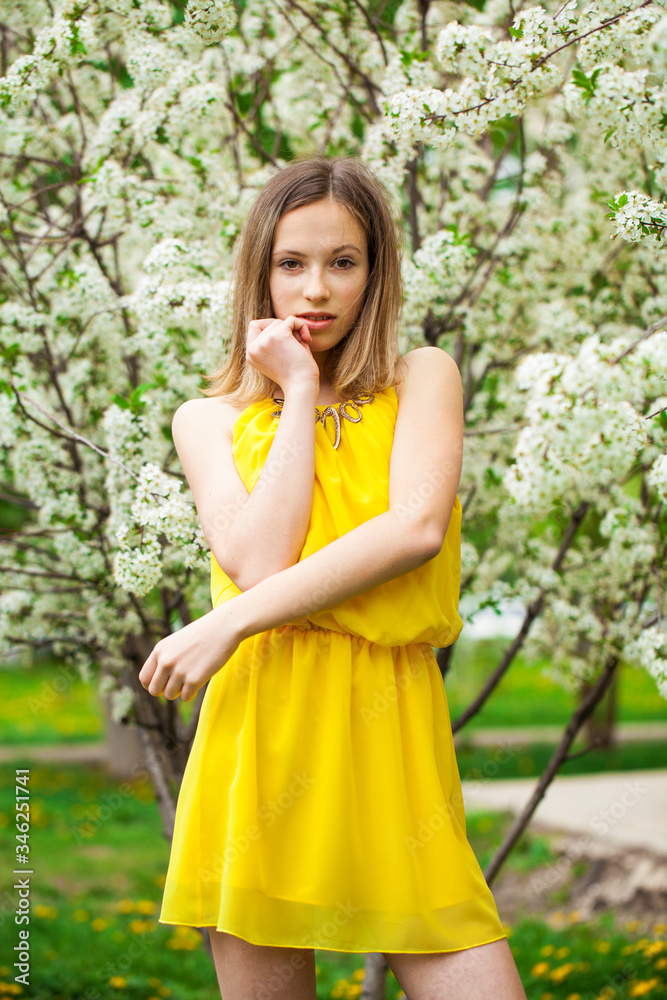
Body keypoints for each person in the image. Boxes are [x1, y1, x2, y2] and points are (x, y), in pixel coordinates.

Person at [138, 155, 527, 1000]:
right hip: (261, 736)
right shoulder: (209, 420)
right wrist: (301, 389)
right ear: (261, 273)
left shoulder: (423, 376)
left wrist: (226, 622)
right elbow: (260, 559)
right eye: (292, 264)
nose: (315, 289)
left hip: (389, 726)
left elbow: (413, 531)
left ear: (375, 273)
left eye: (342, 262)